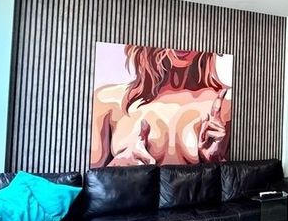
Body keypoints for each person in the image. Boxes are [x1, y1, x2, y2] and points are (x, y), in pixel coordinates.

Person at [91, 44, 232, 167]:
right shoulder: (107, 100)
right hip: (130, 191)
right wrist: (117, 166)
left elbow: (230, 179)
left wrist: (214, 161)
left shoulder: (223, 105)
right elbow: (92, 179)